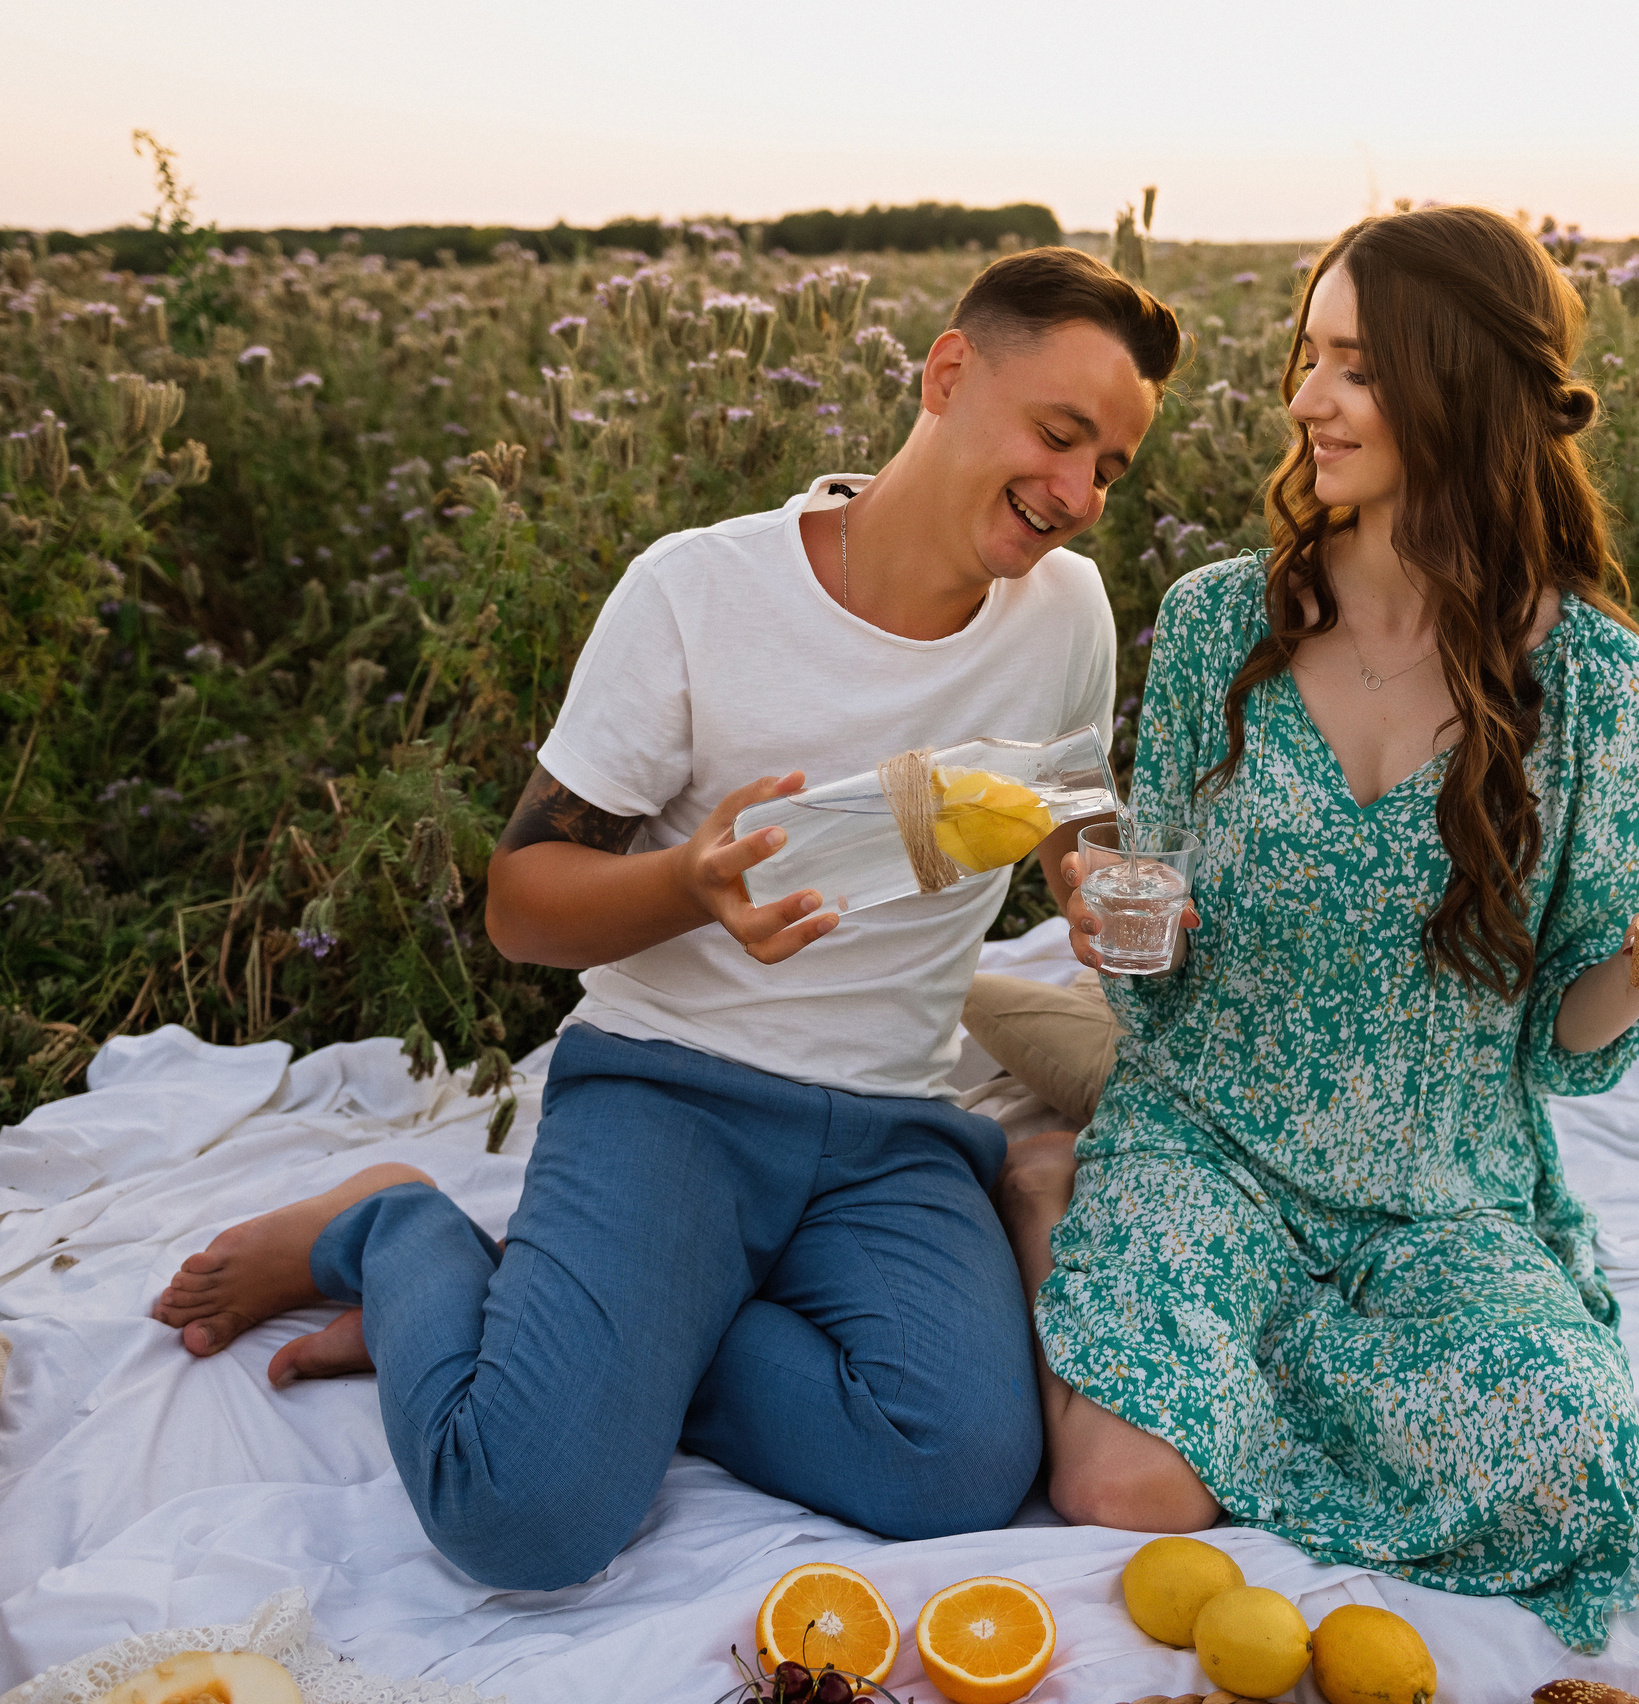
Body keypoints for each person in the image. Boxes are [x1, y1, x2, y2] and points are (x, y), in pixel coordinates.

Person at [152, 246, 1180, 1589]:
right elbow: (523, 903)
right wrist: (685, 881)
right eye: (1060, 436)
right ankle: (399, 1231)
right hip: (673, 1094)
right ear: (946, 374)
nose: (1078, 497)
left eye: (1111, 468)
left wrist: (1089, 882)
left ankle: (590, 1319)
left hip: (893, 1132)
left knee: (952, 1470)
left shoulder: (1065, 615)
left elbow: (1060, 815)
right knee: (518, 1519)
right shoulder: (699, 591)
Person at [993, 206, 1639, 1653]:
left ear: (1458, 380)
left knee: (1574, 1470)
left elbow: (1566, 1035)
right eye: (1309, 356)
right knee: (1123, 1487)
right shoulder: (1225, 620)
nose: (1305, 399)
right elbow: (1155, 934)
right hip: (1211, 1133)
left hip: (1442, 1183)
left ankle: (1255, 1348)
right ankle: (1056, 1192)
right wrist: (1109, 918)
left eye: (1353, 364)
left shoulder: (1602, 684)